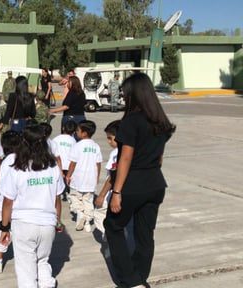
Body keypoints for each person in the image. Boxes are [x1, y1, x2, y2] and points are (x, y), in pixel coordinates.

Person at [104, 73, 176, 288]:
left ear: (133, 95)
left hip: (132, 184)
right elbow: (160, 157)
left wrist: (116, 192)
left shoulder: (131, 121)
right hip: (155, 183)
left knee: (113, 226)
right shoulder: (160, 121)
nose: (124, 98)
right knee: (145, 234)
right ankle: (140, 276)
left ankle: (131, 279)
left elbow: (125, 157)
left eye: (126, 95)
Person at [0, 124, 64, 288]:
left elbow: (8, 202)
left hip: (24, 224)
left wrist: (4, 228)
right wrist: (58, 221)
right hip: (47, 223)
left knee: (26, 269)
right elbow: (57, 199)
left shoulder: (17, 167)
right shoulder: (53, 167)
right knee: (42, 260)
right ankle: (47, 284)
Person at [0, 130, 21, 274]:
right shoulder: (24, 159)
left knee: (1, 231)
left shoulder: (5, 162)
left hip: (5, 203)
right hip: (20, 204)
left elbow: (2, 181)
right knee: (19, 233)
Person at [66, 120, 102, 233]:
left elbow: (73, 163)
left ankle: (80, 213)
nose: (76, 132)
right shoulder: (96, 146)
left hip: (78, 177)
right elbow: (98, 163)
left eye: (78, 130)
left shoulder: (77, 146)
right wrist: (97, 176)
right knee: (88, 200)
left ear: (84, 133)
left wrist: (68, 175)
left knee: (75, 198)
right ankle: (87, 222)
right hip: (90, 178)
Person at [94, 120, 121, 237]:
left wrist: (101, 195)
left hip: (113, 192)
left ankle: (107, 236)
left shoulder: (115, 153)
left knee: (99, 212)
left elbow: (111, 176)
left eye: (110, 138)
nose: (109, 142)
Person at [52, 120, 77, 202]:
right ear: (74, 131)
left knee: (58, 179)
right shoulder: (73, 140)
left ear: (63, 128)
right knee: (68, 178)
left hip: (58, 164)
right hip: (68, 163)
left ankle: (59, 192)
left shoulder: (56, 139)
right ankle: (68, 192)